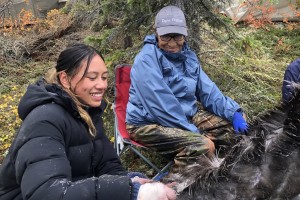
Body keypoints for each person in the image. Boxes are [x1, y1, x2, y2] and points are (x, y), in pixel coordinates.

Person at [0, 44, 176, 200]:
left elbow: (108, 166)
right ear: (65, 80)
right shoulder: (44, 121)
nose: (102, 85)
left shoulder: (87, 113)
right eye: (92, 78)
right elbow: (47, 193)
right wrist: (130, 192)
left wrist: (130, 182)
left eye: (104, 77)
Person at [126, 5, 248, 172]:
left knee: (232, 130)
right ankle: (176, 186)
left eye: (177, 37)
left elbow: (208, 91)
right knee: (202, 146)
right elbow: (161, 107)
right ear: (156, 33)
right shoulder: (146, 60)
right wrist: (195, 132)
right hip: (147, 123)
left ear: (185, 33)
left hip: (185, 117)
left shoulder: (188, 57)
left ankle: (224, 174)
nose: (172, 43)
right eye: (166, 37)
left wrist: (233, 112)